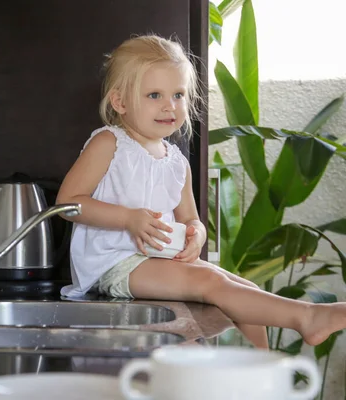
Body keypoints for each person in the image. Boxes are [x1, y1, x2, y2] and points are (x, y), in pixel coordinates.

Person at [56, 34, 346, 349]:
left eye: (178, 95)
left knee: (245, 288)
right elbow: (68, 203)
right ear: (120, 102)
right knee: (211, 283)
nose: (170, 106)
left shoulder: (177, 162)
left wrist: (196, 233)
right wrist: (128, 219)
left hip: (159, 258)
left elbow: (190, 218)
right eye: (154, 94)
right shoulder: (109, 143)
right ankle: (310, 317)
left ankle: (262, 370)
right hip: (113, 263)